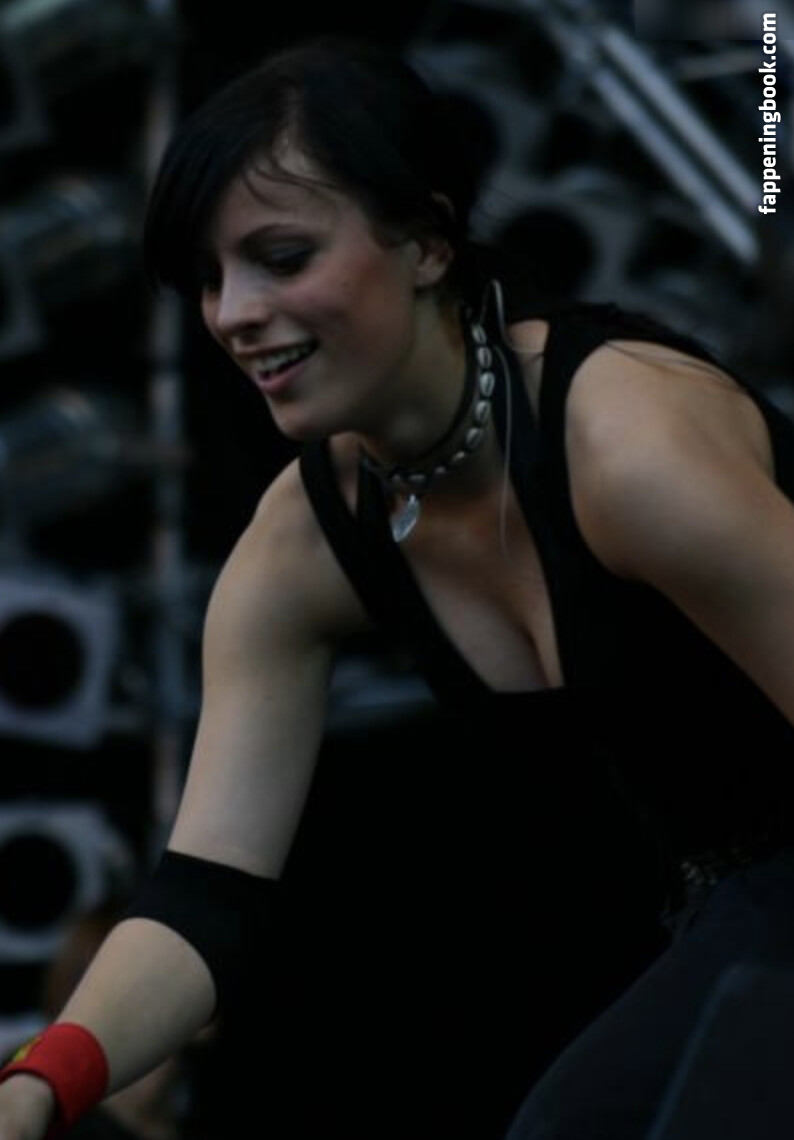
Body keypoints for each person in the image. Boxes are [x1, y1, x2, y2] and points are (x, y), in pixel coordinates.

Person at [0, 34, 793, 1140]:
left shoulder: (627, 448)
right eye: (210, 279)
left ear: (426, 241)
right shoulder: (303, 544)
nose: (233, 313)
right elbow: (204, 898)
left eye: (280, 257)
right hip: (733, 909)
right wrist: (36, 1085)